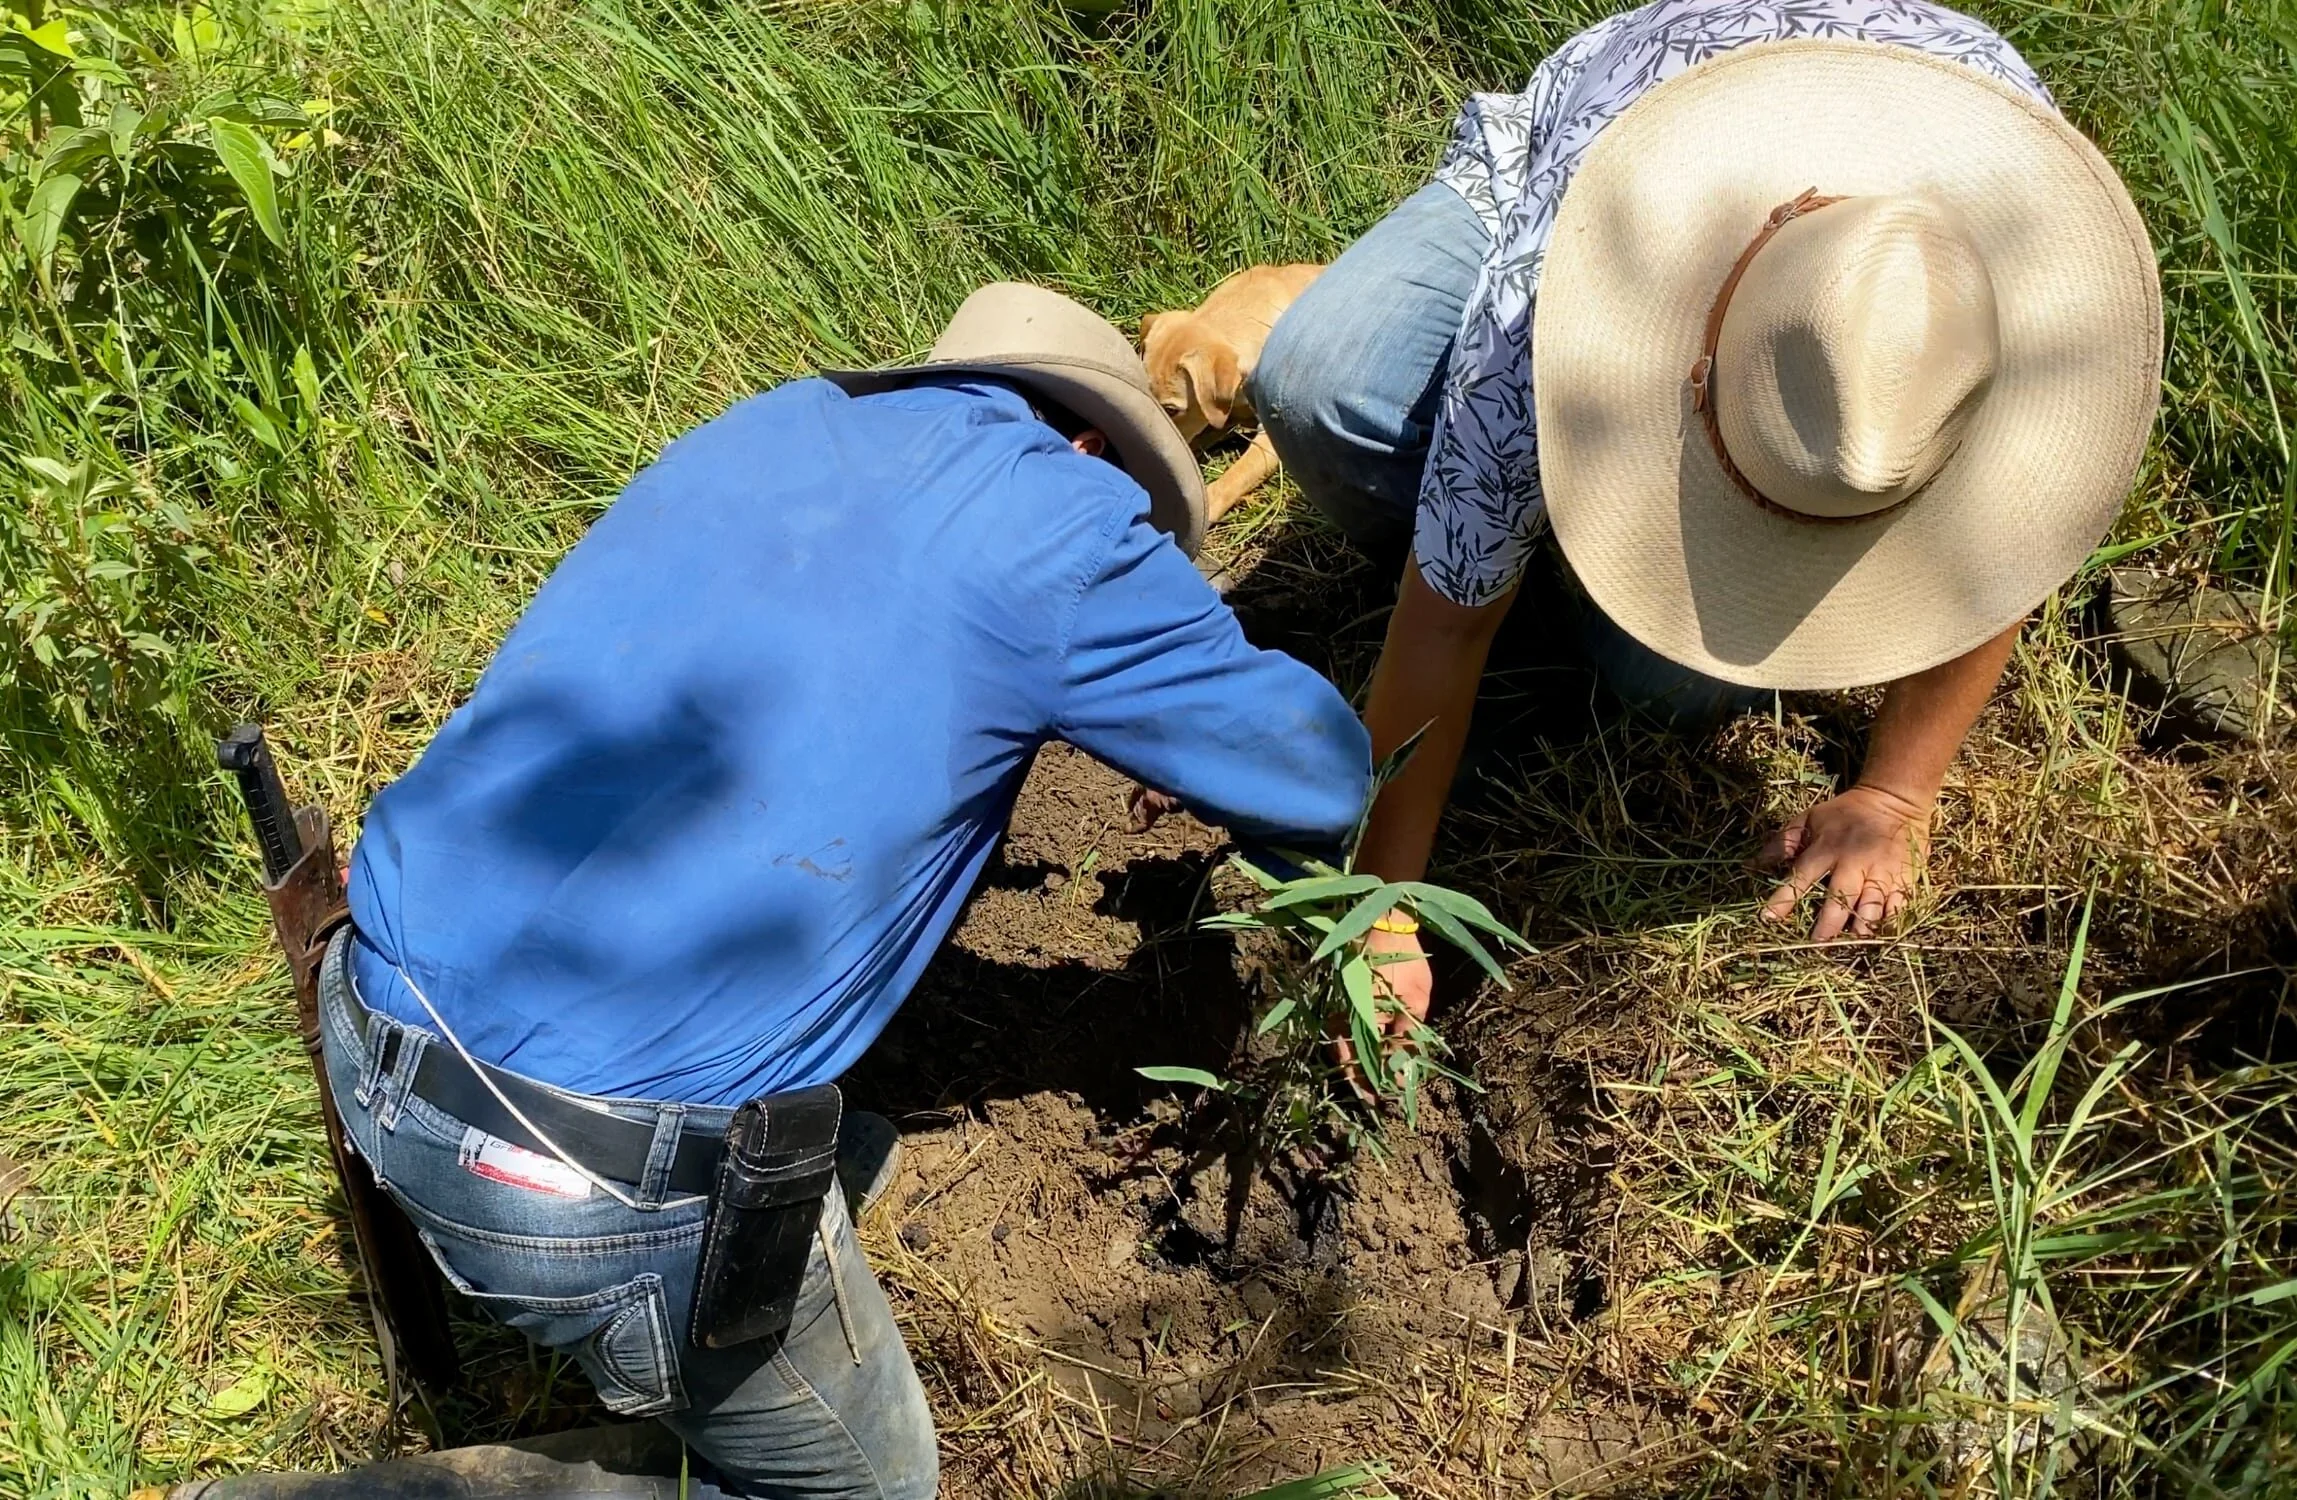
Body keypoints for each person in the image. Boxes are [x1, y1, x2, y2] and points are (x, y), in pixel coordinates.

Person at [320, 284, 1370, 1498]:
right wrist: (1343, 892)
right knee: (869, 1486)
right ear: (1091, 446)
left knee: (845, 1135)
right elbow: (1315, 769)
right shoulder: (1066, 523)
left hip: (365, 1011)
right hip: (582, 1181)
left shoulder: (775, 421)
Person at [1246, 0, 2161, 1033]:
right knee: (1324, 395)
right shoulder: (1534, 329)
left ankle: (1551, 555)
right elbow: (1442, 624)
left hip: (1887, 225)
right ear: (1686, 374)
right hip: (1546, 168)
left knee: (1667, 678)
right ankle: (1513, 528)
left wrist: (1894, 795)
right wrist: (1379, 916)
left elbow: (2005, 524)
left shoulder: (1995, 264)